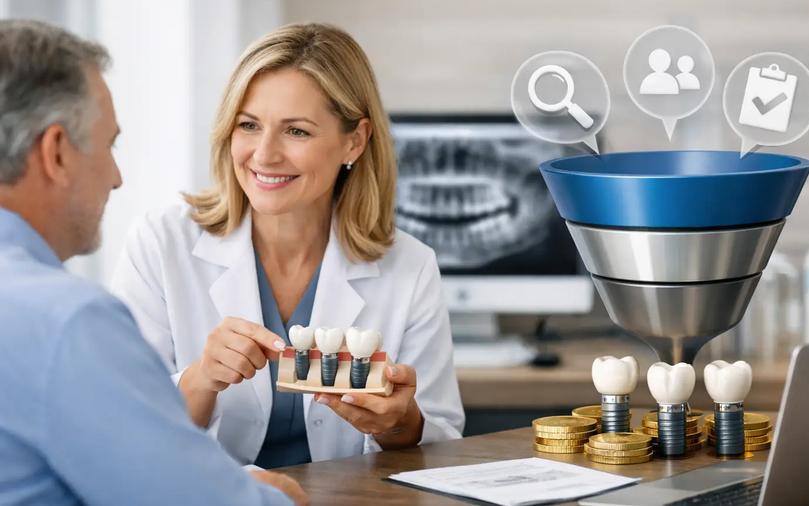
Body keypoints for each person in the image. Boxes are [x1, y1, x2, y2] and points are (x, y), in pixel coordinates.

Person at [110, 23, 465, 468]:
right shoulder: (161, 245)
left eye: (296, 131)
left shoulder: (409, 265)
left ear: (354, 141)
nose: (264, 154)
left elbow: (443, 438)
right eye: (249, 125)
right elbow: (120, 430)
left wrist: (398, 423)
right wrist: (201, 380)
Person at [0, 19, 306, 505]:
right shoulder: (65, 321)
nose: (117, 177)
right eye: (108, 146)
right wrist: (278, 493)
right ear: (56, 153)